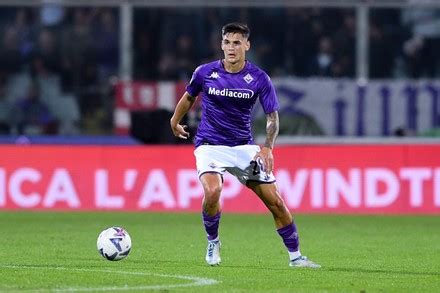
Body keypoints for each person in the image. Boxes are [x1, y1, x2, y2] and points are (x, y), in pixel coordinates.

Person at [170, 22, 320, 268]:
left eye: (237, 42)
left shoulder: (259, 78)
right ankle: (213, 241)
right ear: (221, 44)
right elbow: (189, 98)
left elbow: (272, 117)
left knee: (276, 202)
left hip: (243, 148)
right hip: (210, 145)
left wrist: (268, 147)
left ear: (247, 46)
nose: (231, 47)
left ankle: (296, 257)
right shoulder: (204, 72)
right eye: (227, 42)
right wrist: (175, 121)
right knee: (212, 191)